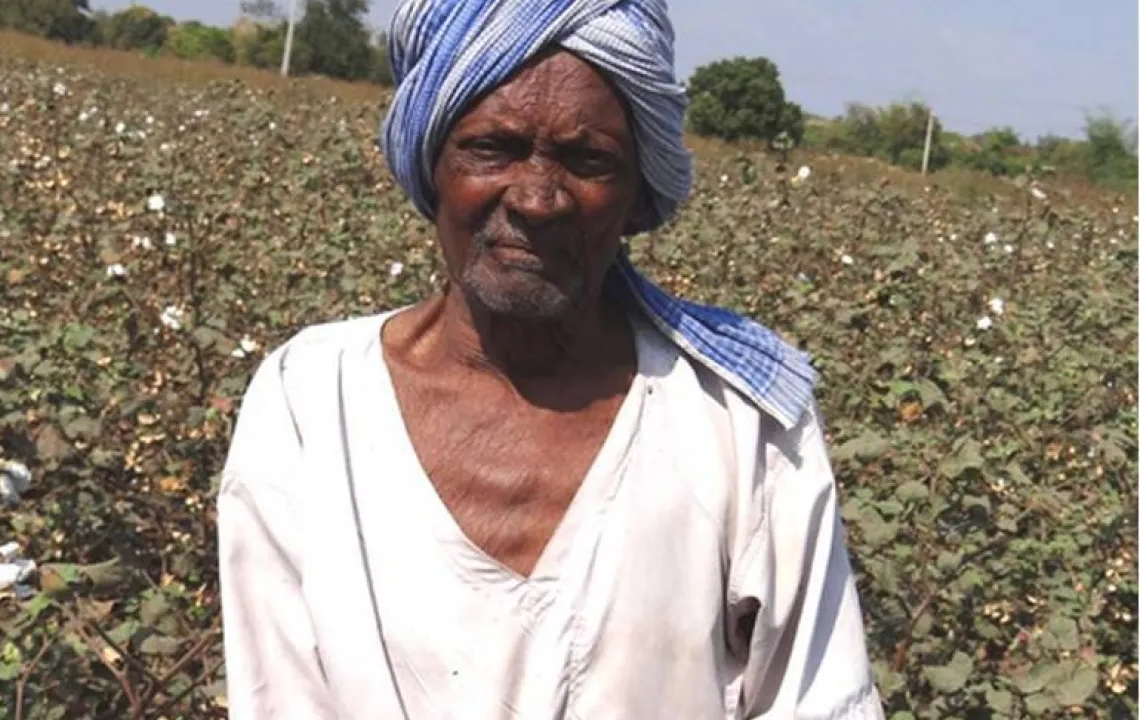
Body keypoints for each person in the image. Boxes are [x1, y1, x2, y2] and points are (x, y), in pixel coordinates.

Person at [216, 0, 885, 718]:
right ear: (430, 165)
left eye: (587, 160)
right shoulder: (310, 404)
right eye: (491, 149)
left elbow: (820, 702)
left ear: (635, 196)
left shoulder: (739, 423)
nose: (537, 199)